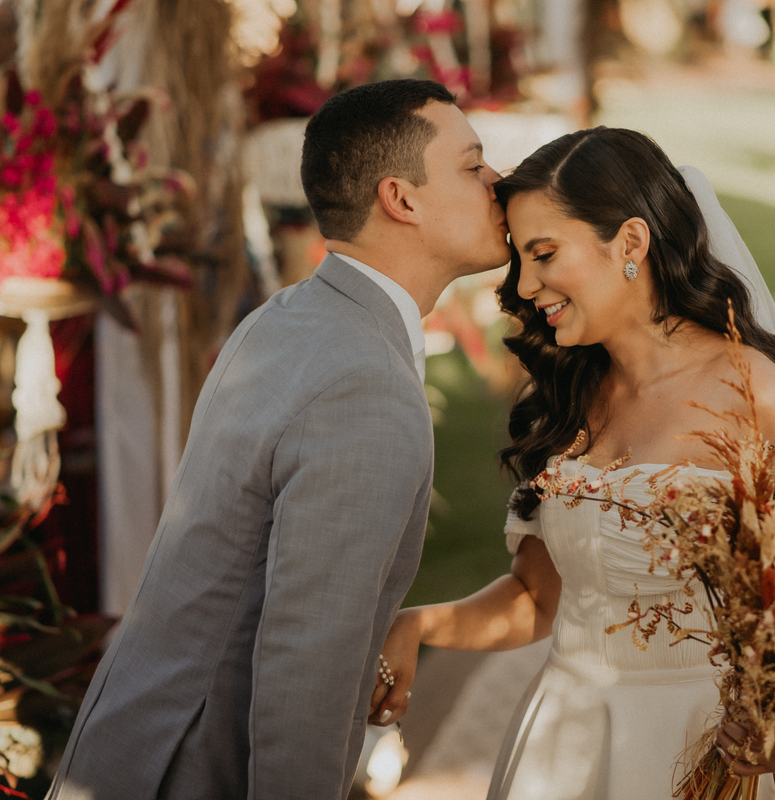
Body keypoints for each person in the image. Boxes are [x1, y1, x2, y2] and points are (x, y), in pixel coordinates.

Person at [373, 128, 775, 798]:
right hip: (567, 742)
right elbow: (539, 598)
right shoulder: (564, 397)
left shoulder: (757, 395)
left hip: (709, 746)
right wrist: (420, 622)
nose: (526, 285)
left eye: (545, 254)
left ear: (632, 244)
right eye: (519, 260)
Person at [47, 79, 510, 800]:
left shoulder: (290, 315)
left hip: (131, 745)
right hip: (193, 769)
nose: (497, 182)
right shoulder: (367, 384)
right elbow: (308, 669)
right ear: (402, 198)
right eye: (473, 164)